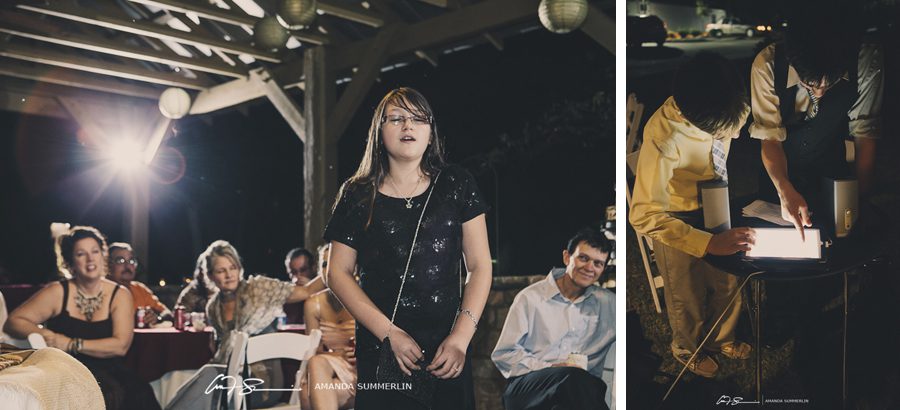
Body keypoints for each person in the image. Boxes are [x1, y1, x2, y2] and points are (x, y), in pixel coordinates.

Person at [324, 87, 492, 410]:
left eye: (418, 119)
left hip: (448, 347)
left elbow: (480, 265)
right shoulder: (356, 194)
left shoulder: (457, 184)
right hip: (382, 346)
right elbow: (338, 273)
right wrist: (389, 334)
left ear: (431, 133)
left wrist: (460, 338)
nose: (408, 126)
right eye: (397, 118)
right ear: (379, 131)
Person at [629, 53, 756, 378]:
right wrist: (706, 243)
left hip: (715, 199)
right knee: (686, 294)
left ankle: (722, 337)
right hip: (675, 217)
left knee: (729, 277)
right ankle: (688, 349)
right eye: (727, 133)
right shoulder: (664, 136)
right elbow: (643, 214)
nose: (736, 137)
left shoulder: (726, 99)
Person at [751, 1, 882, 237]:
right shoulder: (767, 65)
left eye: (829, 84)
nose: (819, 92)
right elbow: (769, 139)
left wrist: (860, 200)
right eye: (809, 83)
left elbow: (865, 136)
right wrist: (784, 189)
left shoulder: (864, 60)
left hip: (833, 173)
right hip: (778, 173)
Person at [3, 226, 160, 410]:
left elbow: (120, 346)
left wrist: (70, 343)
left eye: (95, 251)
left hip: (111, 368)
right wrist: (46, 334)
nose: (90, 259)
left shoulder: (120, 294)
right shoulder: (58, 291)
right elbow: (13, 322)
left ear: (103, 256)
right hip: (66, 368)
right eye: (81, 254)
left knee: (140, 392)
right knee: (107, 392)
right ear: (70, 262)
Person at [492, 227, 614, 410]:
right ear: (567, 257)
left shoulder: (608, 304)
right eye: (584, 258)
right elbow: (504, 354)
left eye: (598, 263)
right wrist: (550, 367)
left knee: (578, 388)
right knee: (573, 378)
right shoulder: (531, 298)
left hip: (579, 392)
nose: (590, 268)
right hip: (528, 388)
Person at [300, 286, 357, 410]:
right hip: (332, 362)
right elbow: (315, 350)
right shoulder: (313, 304)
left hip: (360, 367)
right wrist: (340, 354)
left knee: (306, 395)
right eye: (324, 266)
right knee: (315, 361)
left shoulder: (363, 296)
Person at [107, 242, 172, 327]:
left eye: (131, 261)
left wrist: (157, 318)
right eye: (120, 260)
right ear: (108, 265)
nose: (127, 266)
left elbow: (167, 313)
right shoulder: (100, 289)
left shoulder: (139, 289)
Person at [282, 247, 317, 324]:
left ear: (313, 268)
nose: (298, 276)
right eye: (293, 272)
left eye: (303, 270)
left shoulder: (323, 290)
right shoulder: (285, 297)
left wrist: (311, 287)